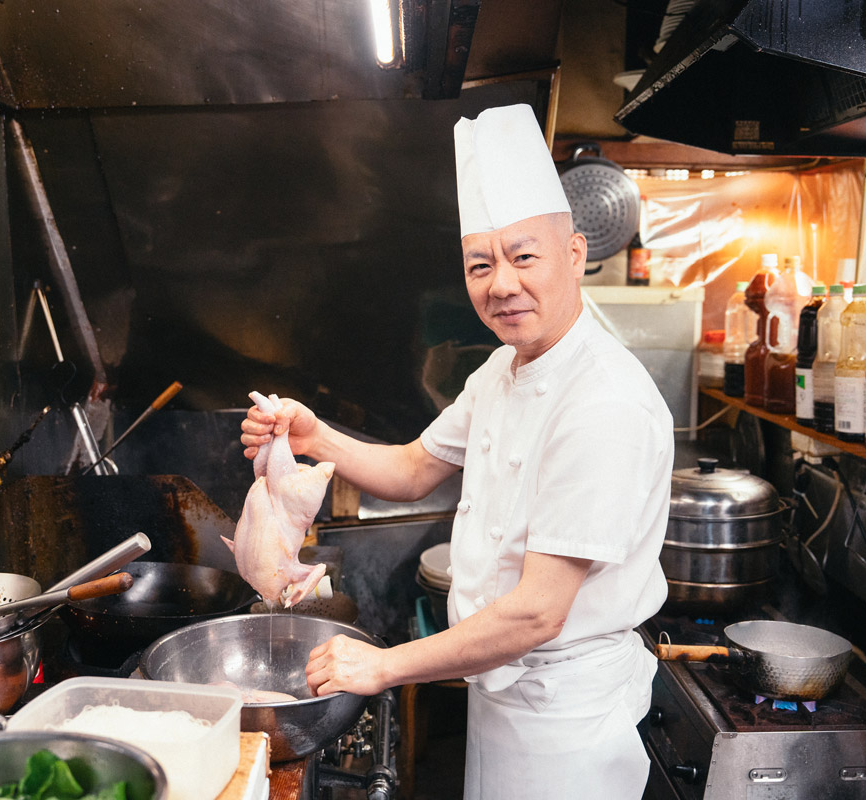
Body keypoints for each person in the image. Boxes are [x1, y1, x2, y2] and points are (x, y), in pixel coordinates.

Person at [239, 104, 673, 799]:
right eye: (480, 264)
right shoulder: (502, 369)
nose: (501, 284)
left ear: (574, 254)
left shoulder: (604, 402)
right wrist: (313, 436)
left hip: (567, 719)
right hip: (500, 692)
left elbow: (539, 612)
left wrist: (384, 666)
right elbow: (414, 469)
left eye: (523, 257)